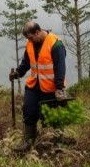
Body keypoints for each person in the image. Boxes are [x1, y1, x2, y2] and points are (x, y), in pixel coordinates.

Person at [9, 21, 67, 152]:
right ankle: (28, 143)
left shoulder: (55, 44)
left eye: (30, 37)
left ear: (37, 32)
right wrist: (18, 73)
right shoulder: (31, 44)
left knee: (52, 117)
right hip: (34, 85)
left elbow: (60, 68)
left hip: (51, 88)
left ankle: (57, 144)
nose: (29, 40)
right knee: (29, 112)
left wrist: (59, 88)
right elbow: (26, 63)